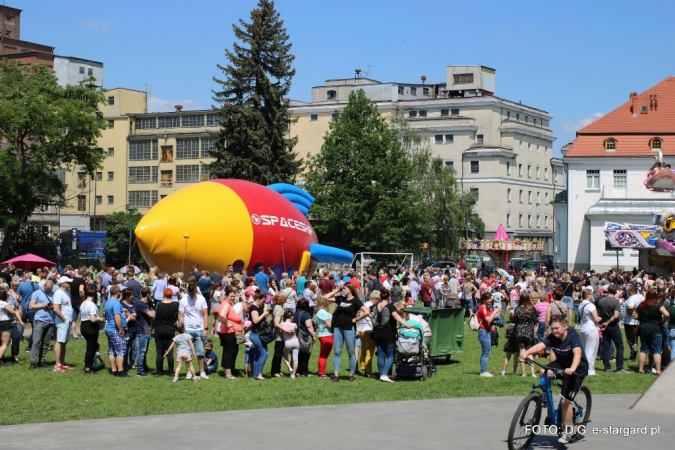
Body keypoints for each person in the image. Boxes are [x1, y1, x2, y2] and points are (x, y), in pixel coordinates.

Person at [522, 316, 589, 445]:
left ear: (565, 327)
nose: (554, 331)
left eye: (557, 328)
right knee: (544, 372)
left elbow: (578, 354)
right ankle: (549, 406)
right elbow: (541, 345)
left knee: (565, 401)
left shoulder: (573, 337)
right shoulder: (553, 337)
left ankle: (567, 431)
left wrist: (572, 368)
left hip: (576, 370)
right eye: (552, 329)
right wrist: (527, 353)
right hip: (562, 364)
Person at [324, 282, 371, 383]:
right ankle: (336, 375)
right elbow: (326, 298)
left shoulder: (356, 301)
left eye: (345, 289)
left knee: (351, 352)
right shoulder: (340, 299)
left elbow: (367, 312)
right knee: (337, 352)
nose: (343, 290)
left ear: (350, 289)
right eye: (343, 289)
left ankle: (351, 374)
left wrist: (357, 318)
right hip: (338, 328)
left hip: (349, 328)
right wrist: (337, 290)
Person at [371, 288, 411, 382]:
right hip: (387, 333)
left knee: (381, 355)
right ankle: (384, 374)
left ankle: (381, 374)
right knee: (391, 355)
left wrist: (372, 319)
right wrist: (405, 324)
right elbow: (395, 315)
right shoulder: (390, 306)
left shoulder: (376, 305)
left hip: (377, 333)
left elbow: (367, 311)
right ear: (389, 297)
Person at [597, 284, 630, 373]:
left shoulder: (601, 301)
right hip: (612, 325)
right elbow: (616, 316)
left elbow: (599, 314)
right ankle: (619, 368)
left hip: (604, 325)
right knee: (619, 346)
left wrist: (603, 323)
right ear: (615, 291)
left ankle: (607, 367)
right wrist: (608, 323)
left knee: (606, 346)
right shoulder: (615, 302)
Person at [179, 283, 209, 379]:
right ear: (188, 292)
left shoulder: (201, 299)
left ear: (196, 291)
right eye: (190, 294)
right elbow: (181, 315)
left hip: (199, 328)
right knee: (187, 352)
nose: (192, 295)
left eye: (194, 293)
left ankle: (202, 372)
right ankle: (189, 372)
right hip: (187, 329)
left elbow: (205, 314)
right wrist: (181, 329)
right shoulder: (183, 300)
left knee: (200, 351)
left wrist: (206, 328)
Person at [637, 290, 669, 375]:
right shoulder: (658, 305)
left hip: (644, 328)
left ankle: (641, 369)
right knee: (657, 350)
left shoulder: (642, 304)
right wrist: (662, 321)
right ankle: (658, 370)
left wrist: (641, 318)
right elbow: (667, 314)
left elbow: (636, 316)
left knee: (643, 349)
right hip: (656, 328)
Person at [28, 280, 55, 370]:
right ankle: (33, 362)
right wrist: (42, 306)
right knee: (36, 341)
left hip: (50, 320)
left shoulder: (54, 294)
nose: (48, 290)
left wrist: (52, 306)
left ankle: (41, 360)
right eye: (47, 288)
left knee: (46, 343)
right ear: (44, 285)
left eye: (50, 288)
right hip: (39, 320)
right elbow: (31, 306)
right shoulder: (37, 293)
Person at [217, 287, 244, 380]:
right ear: (226, 296)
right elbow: (222, 315)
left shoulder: (228, 304)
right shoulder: (226, 305)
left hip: (231, 332)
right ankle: (228, 374)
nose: (232, 298)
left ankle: (229, 371)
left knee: (231, 352)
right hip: (229, 332)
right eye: (231, 296)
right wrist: (227, 324)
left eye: (234, 296)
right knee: (229, 352)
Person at [103, 285, 128, 377]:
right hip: (115, 329)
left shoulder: (107, 302)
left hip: (108, 328)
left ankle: (113, 370)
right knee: (121, 348)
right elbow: (117, 317)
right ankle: (120, 371)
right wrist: (120, 328)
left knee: (112, 349)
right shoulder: (116, 303)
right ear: (118, 293)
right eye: (120, 292)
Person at [154, 288, 179, 377]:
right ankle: (171, 371)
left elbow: (155, 316)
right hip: (170, 329)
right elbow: (175, 317)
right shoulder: (174, 306)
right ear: (171, 295)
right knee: (170, 352)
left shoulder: (158, 305)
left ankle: (159, 371)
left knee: (159, 352)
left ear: (163, 295)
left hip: (159, 329)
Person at [80, 285, 104, 375]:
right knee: (91, 348)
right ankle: (88, 368)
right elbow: (93, 319)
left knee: (91, 347)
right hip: (91, 326)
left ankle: (89, 365)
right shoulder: (92, 305)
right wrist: (100, 319)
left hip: (83, 326)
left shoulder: (83, 303)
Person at [476, 292, 501, 377]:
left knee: (487, 352)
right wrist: (495, 312)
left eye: (491, 298)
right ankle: (483, 372)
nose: (491, 300)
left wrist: (494, 324)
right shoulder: (482, 308)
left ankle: (484, 371)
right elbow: (488, 320)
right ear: (484, 300)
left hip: (488, 331)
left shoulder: (489, 308)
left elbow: (493, 320)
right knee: (486, 353)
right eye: (488, 299)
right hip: (483, 332)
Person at [249, 291, 272, 380]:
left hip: (259, 334)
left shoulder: (257, 306)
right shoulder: (254, 308)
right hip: (256, 334)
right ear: (258, 299)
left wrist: (266, 313)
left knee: (259, 355)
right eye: (263, 301)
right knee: (264, 354)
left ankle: (256, 374)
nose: (263, 303)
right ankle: (258, 374)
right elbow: (255, 320)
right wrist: (263, 314)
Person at [356, 290, 379, 378]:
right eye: (378, 299)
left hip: (361, 330)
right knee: (369, 353)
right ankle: (369, 372)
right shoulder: (371, 307)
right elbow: (373, 320)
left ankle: (363, 370)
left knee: (363, 352)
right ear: (375, 298)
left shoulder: (364, 304)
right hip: (369, 331)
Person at [133, 287, 154, 377]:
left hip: (146, 329)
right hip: (143, 330)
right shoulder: (141, 305)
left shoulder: (146, 304)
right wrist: (153, 311)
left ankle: (144, 366)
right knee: (142, 350)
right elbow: (151, 315)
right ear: (148, 294)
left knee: (144, 350)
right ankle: (140, 370)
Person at [578, 289, 600, 376]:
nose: (592, 296)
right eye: (591, 294)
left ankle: (583, 367)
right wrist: (602, 317)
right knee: (591, 350)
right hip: (591, 328)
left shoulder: (581, 304)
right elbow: (597, 319)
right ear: (588, 295)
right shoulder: (590, 305)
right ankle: (590, 370)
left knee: (584, 349)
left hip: (583, 327)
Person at [293, 299, 316, 377]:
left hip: (296, 335)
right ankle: (304, 371)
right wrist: (313, 335)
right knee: (305, 354)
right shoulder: (306, 314)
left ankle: (298, 370)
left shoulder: (295, 313)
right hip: (304, 336)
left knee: (298, 354)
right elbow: (309, 326)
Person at [624, 284, 644, 361]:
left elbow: (630, 307)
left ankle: (633, 355)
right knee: (635, 338)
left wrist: (629, 312)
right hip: (639, 321)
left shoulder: (632, 298)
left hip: (630, 322)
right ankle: (634, 355)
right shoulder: (641, 297)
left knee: (631, 339)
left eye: (628, 291)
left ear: (631, 291)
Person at [315, 295, 333, 379]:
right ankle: (322, 373)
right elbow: (329, 324)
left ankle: (321, 371)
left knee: (323, 354)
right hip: (326, 335)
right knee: (324, 355)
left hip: (324, 335)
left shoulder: (321, 311)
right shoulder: (322, 312)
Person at [270, 292, 287, 378]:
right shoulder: (278, 308)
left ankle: (278, 370)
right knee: (278, 353)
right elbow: (276, 323)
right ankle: (275, 371)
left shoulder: (279, 307)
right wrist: (286, 330)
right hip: (279, 335)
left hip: (281, 334)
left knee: (280, 353)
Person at [279, 310, 299, 378]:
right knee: (295, 359)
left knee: (284, 355)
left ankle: (290, 368)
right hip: (296, 342)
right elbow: (295, 331)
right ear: (292, 317)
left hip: (287, 343)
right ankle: (293, 374)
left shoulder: (282, 324)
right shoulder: (294, 324)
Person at [0, 289, 17, 366]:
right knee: (5, 344)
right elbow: (13, 312)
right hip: (4, 323)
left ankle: (2, 359)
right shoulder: (3, 303)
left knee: (0, 343)